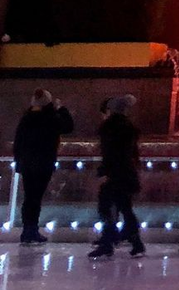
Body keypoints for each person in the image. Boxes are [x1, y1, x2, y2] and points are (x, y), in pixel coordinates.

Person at [13, 90, 74, 244]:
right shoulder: (51, 118)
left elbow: (18, 141)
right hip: (43, 163)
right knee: (36, 198)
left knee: (29, 197)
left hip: (27, 164)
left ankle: (28, 230)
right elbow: (68, 126)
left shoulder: (27, 118)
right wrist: (61, 109)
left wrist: (19, 162)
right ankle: (31, 230)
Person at [88, 95, 144, 260]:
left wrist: (105, 172)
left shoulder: (110, 128)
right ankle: (133, 242)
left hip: (115, 173)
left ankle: (108, 242)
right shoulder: (128, 127)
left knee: (106, 207)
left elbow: (111, 153)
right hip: (126, 173)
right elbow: (130, 153)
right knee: (124, 208)